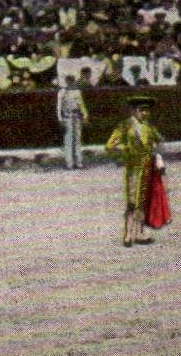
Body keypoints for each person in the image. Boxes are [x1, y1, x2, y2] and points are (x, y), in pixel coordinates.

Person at [104, 95, 169, 246]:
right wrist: (123, 157)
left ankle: (139, 234)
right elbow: (109, 146)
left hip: (146, 168)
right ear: (133, 110)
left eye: (147, 110)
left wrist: (158, 157)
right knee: (132, 203)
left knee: (142, 202)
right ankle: (128, 235)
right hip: (133, 169)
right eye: (142, 110)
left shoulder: (148, 127)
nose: (145, 113)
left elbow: (160, 141)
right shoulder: (124, 126)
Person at [55, 71, 89, 169]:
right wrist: (60, 119)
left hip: (77, 116)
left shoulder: (77, 92)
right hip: (67, 116)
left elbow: (81, 104)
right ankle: (69, 163)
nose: (70, 82)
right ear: (66, 81)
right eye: (69, 81)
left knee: (77, 140)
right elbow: (59, 107)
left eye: (72, 81)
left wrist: (85, 115)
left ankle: (79, 162)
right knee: (68, 140)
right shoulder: (62, 92)